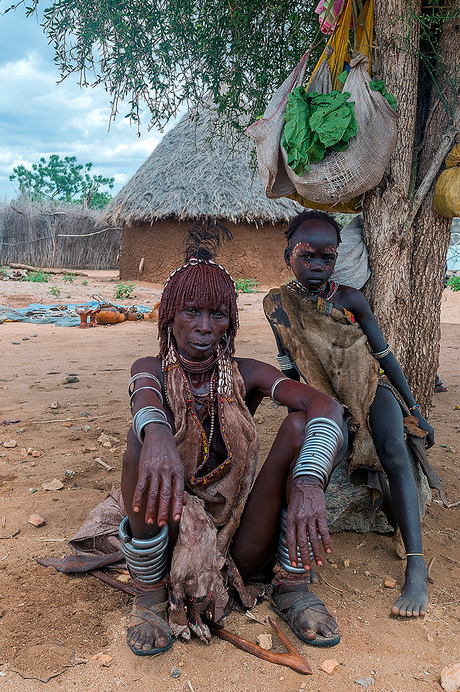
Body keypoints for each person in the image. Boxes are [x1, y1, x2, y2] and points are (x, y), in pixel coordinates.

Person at [120, 223, 347, 656]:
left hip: (237, 534)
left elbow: (327, 406)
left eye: (217, 315)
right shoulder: (148, 367)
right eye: (191, 312)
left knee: (302, 427)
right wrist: (160, 436)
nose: (204, 327)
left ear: (231, 322)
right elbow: (145, 398)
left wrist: (308, 481)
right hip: (170, 528)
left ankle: (291, 585)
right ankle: (149, 594)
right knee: (142, 437)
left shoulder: (247, 375)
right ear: (169, 316)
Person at [264, 210, 436, 620]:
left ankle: (415, 564)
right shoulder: (278, 305)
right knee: (315, 461)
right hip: (325, 400)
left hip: (369, 389)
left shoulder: (351, 299)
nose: (318, 266)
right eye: (307, 256)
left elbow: (383, 357)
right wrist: (302, 415)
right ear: (288, 255)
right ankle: (293, 557)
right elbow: (289, 365)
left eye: (328, 257)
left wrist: (415, 409)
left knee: (394, 449)